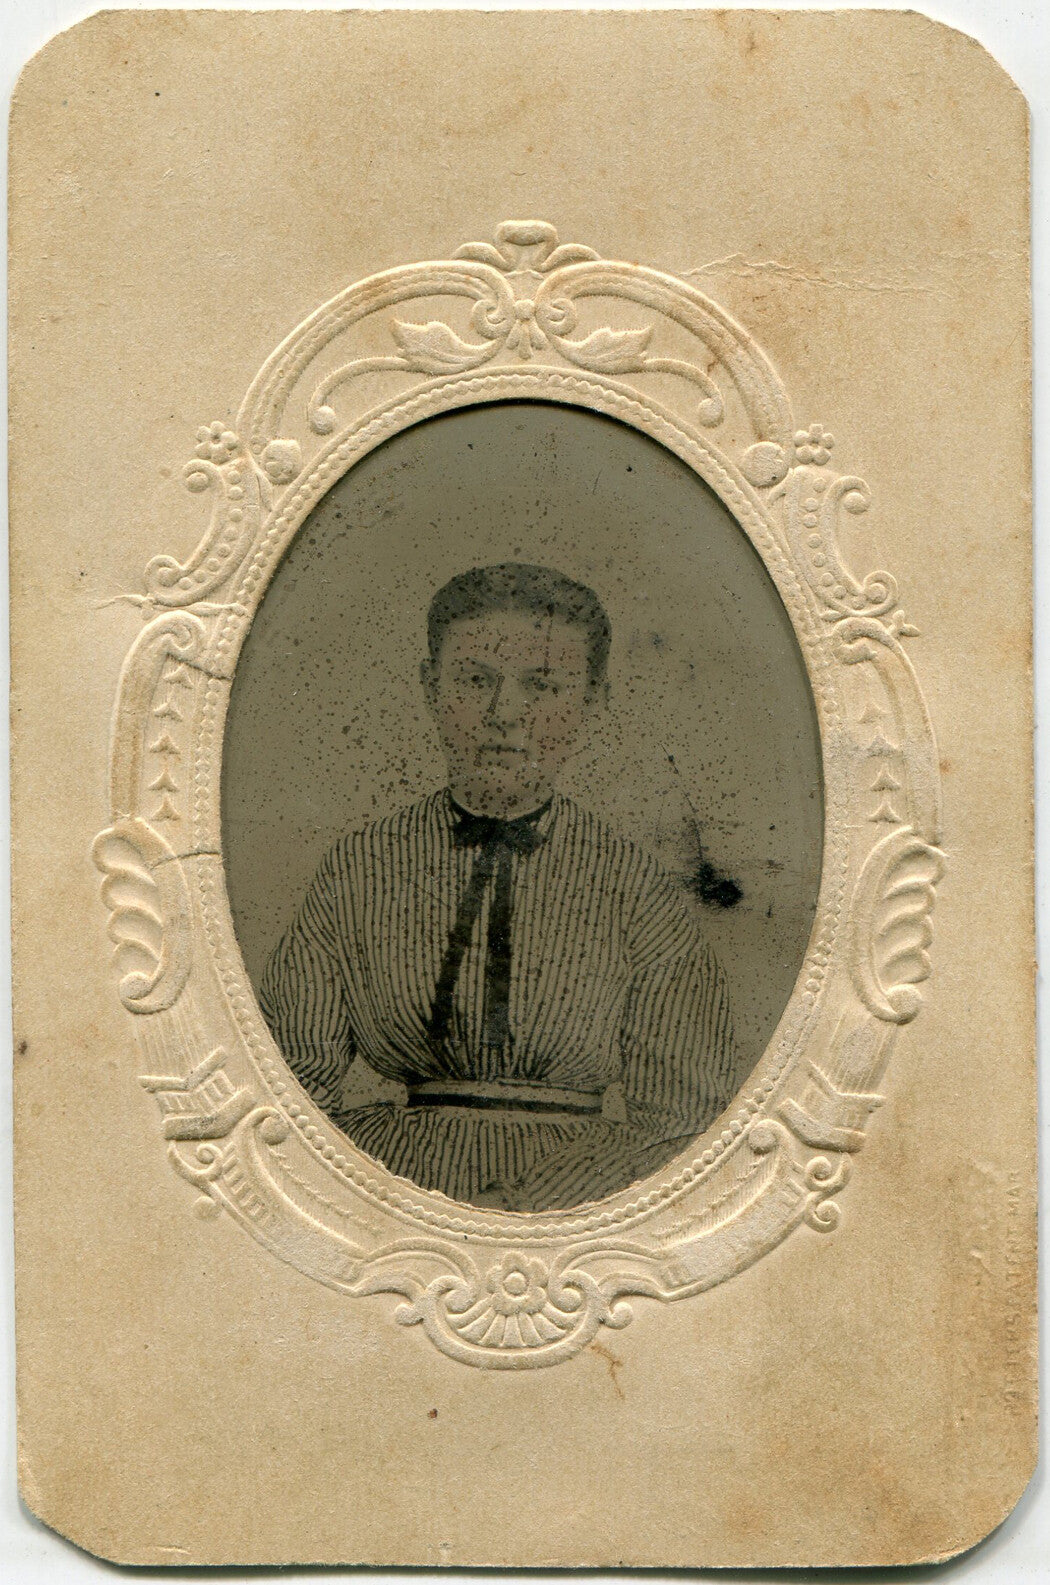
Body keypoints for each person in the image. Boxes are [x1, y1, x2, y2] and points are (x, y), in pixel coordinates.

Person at [259, 563, 737, 1210]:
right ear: (431, 687)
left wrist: (530, 1202)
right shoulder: (360, 868)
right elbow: (283, 1094)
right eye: (475, 680)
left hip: (580, 1208)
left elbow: (685, 1123)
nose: (504, 714)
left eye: (542, 685)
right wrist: (383, 1200)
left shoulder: (637, 889)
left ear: (593, 699)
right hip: (389, 1202)